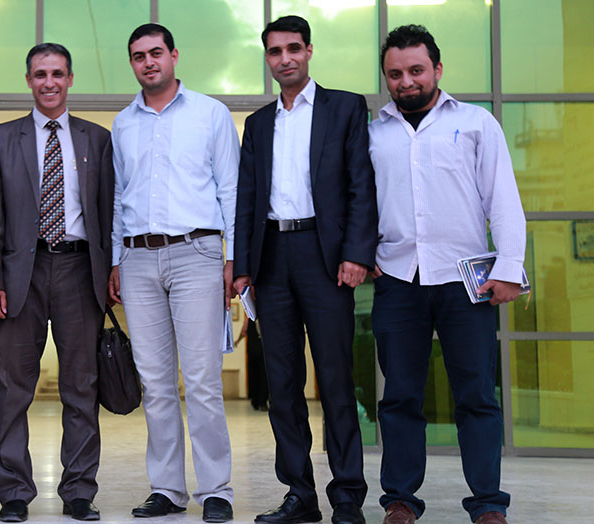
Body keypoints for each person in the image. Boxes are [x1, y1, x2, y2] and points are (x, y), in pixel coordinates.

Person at [369, 25, 525, 524]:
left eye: (416, 70)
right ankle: (400, 500)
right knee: (399, 397)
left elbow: (503, 199)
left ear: (437, 69)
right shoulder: (374, 134)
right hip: (398, 280)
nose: (406, 81)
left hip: (466, 282)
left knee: (477, 395)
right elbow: (359, 201)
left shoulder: (477, 123)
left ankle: (488, 504)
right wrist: (364, 252)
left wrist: (509, 268)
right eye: (395, 74)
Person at [232, 15, 377, 524]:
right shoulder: (258, 123)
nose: (285, 58)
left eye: (293, 48)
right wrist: (243, 268)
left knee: (336, 380)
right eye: (275, 51)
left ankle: (347, 496)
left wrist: (357, 254)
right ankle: (299, 494)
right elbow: (247, 198)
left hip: (325, 256)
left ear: (309, 51)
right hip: (272, 258)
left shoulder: (345, 108)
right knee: (282, 384)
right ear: (268, 58)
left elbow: (361, 185)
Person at [0, 43, 114, 523]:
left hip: (80, 271)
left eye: (57, 73)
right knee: (12, 387)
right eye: (40, 74)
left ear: (70, 78)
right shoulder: (0, 140)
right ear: (28, 80)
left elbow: (109, 213)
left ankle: (79, 491)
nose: (48, 82)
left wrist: (111, 272)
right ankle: (14, 491)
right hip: (20, 274)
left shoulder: (97, 139)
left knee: (82, 386)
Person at [107, 23, 237, 524]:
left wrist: (233, 258)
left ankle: (216, 490)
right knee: (155, 382)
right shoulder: (123, 124)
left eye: (156, 52)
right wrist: (115, 260)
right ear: (132, 63)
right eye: (138, 55)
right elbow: (118, 196)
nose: (148, 62)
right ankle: (166, 488)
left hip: (196, 254)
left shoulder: (210, 113)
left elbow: (230, 189)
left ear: (174, 55)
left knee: (202, 380)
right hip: (138, 260)